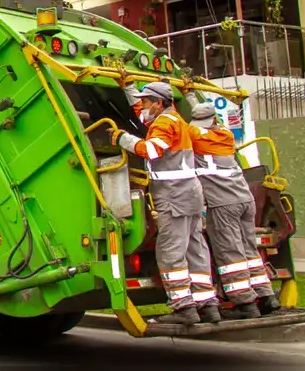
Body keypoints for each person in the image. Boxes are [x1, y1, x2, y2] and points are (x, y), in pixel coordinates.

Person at [108, 81, 220, 325]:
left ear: (159, 103)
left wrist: (121, 138)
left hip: (174, 196)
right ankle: (207, 304)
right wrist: (128, 86)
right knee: (195, 248)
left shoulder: (164, 123)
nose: (144, 106)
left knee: (170, 250)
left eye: (147, 101)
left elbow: (152, 150)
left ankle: (183, 308)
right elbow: (144, 117)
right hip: (190, 194)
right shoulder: (176, 120)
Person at [188, 101, 281, 319]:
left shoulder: (196, 136)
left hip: (223, 203)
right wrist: (190, 94)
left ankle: (245, 302)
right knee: (249, 250)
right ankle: (266, 296)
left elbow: (173, 124)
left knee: (231, 254)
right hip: (244, 199)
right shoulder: (226, 135)